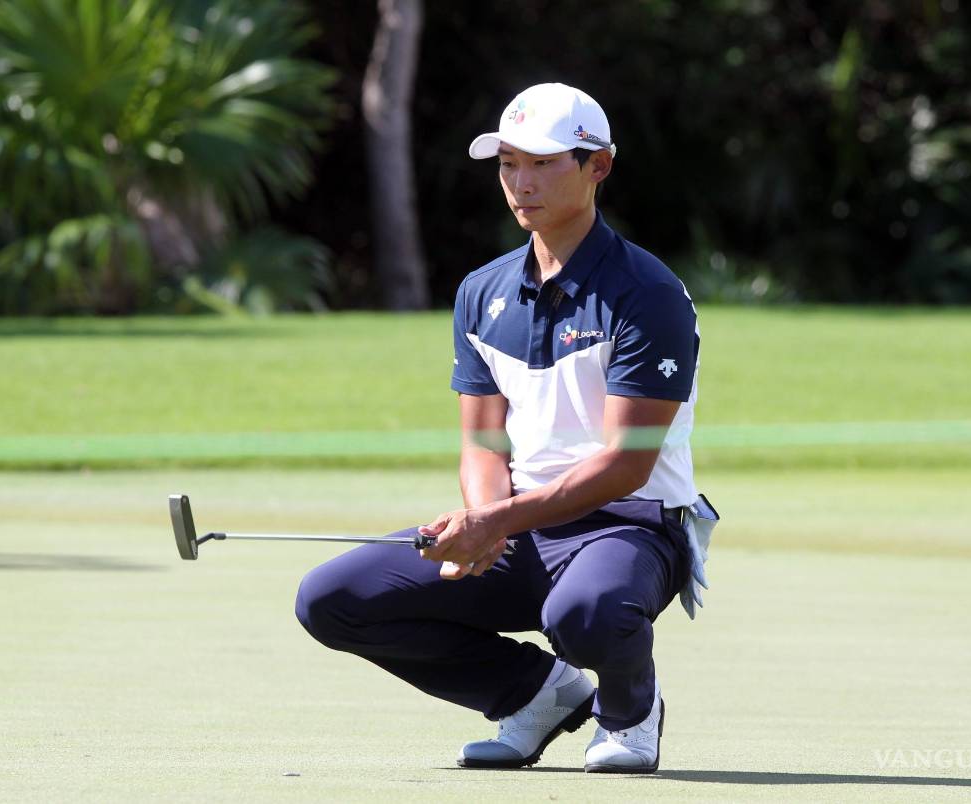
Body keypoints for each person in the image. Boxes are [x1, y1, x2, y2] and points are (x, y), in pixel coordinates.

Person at [295, 82, 716, 774]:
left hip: (634, 527)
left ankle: (630, 711)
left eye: (545, 163)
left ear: (598, 166)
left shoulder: (649, 294)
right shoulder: (481, 293)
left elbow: (626, 464)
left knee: (585, 616)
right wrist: (488, 517)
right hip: (523, 525)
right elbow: (484, 442)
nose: (522, 183)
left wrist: (498, 520)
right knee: (332, 600)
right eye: (508, 164)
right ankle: (535, 694)